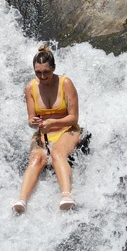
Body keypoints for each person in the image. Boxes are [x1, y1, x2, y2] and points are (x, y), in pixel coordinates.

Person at [13, 45, 80, 214]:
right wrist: (34, 122)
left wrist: (51, 122)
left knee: (57, 153)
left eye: (46, 72)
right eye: (38, 72)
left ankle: (66, 195)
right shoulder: (30, 88)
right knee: (37, 157)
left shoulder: (66, 83)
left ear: (54, 69)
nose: (42, 76)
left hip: (67, 129)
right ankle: (22, 200)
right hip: (44, 132)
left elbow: (74, 117)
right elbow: (30, 119)